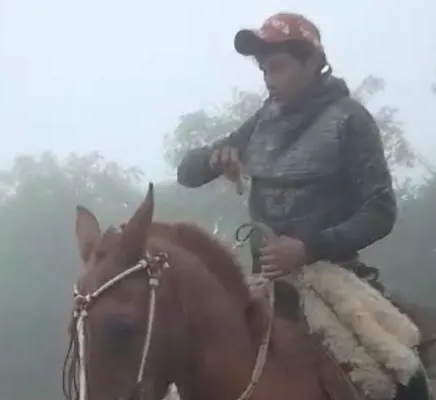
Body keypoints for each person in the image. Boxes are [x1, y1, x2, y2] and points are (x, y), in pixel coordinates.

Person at [176, 12, 431, 399]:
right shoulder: (263, 120)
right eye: (263, 69)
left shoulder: (350, 120)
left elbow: (381, 210)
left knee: (399, 374)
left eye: (277, 67)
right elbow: (186, 173)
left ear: (313, 62)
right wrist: (215, 158)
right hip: (264, 284)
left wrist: (308, 247)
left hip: (334, 277)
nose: (268, 78)